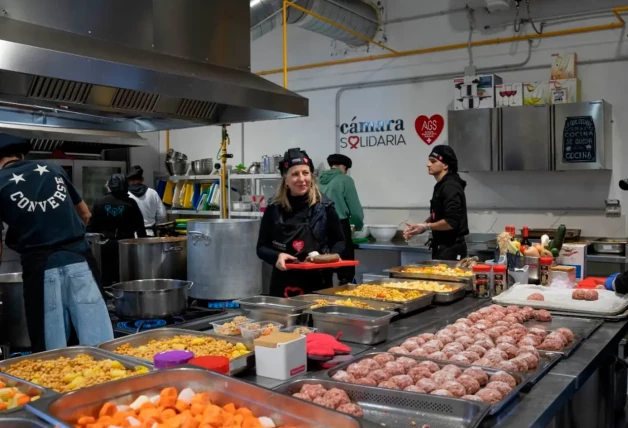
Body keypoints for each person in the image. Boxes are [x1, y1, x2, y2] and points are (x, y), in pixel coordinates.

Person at [0, 133, 113, 352]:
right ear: (21, 155)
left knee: (52, 353)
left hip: (41, 270)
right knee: (101, 345)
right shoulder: (53, 169)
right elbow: (86, 214)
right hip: (80, 262)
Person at [256, 148, 346, 297]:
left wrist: (333, 256)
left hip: (319, 283)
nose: (302, 179)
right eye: (295, 174)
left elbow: (340, 241)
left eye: (305, 173)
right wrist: (277, 257)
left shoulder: (324, 207)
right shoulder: (274, 209)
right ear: (286, 179)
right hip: (284, 283)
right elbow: (261, 247)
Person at [403, 145, 469, 260]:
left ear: (445, 165)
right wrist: (422, 226)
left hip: (451, 249)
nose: (428, 164)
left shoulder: (450, 186)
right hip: (441, 247)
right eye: (429, 160)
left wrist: (426, 226)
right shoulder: (442, 185)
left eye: (433, 161)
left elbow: (451, 221)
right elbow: (440, 212)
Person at [87, 174, 147, 287]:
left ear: (109, 186)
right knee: (125, 279)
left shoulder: (99, 201)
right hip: (126, 245)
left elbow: (91, 226)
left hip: (104, 245)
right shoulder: (131, 203)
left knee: (105, 278)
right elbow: (140, 228)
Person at [319, 153, 364, 284]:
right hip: (339, 226)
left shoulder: (318, 180)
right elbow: (355, 211)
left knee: (324, 267)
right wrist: (358, 226)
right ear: (344, 167)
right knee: (345, 271)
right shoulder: (345, 180)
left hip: (319, 226)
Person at [126, 165, 166, 236]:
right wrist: (153, 221)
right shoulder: (152, 193)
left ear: (129, 181)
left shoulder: (126, 194)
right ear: (142, 179)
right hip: (150, 233)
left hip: (132, 235)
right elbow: (162, 214)